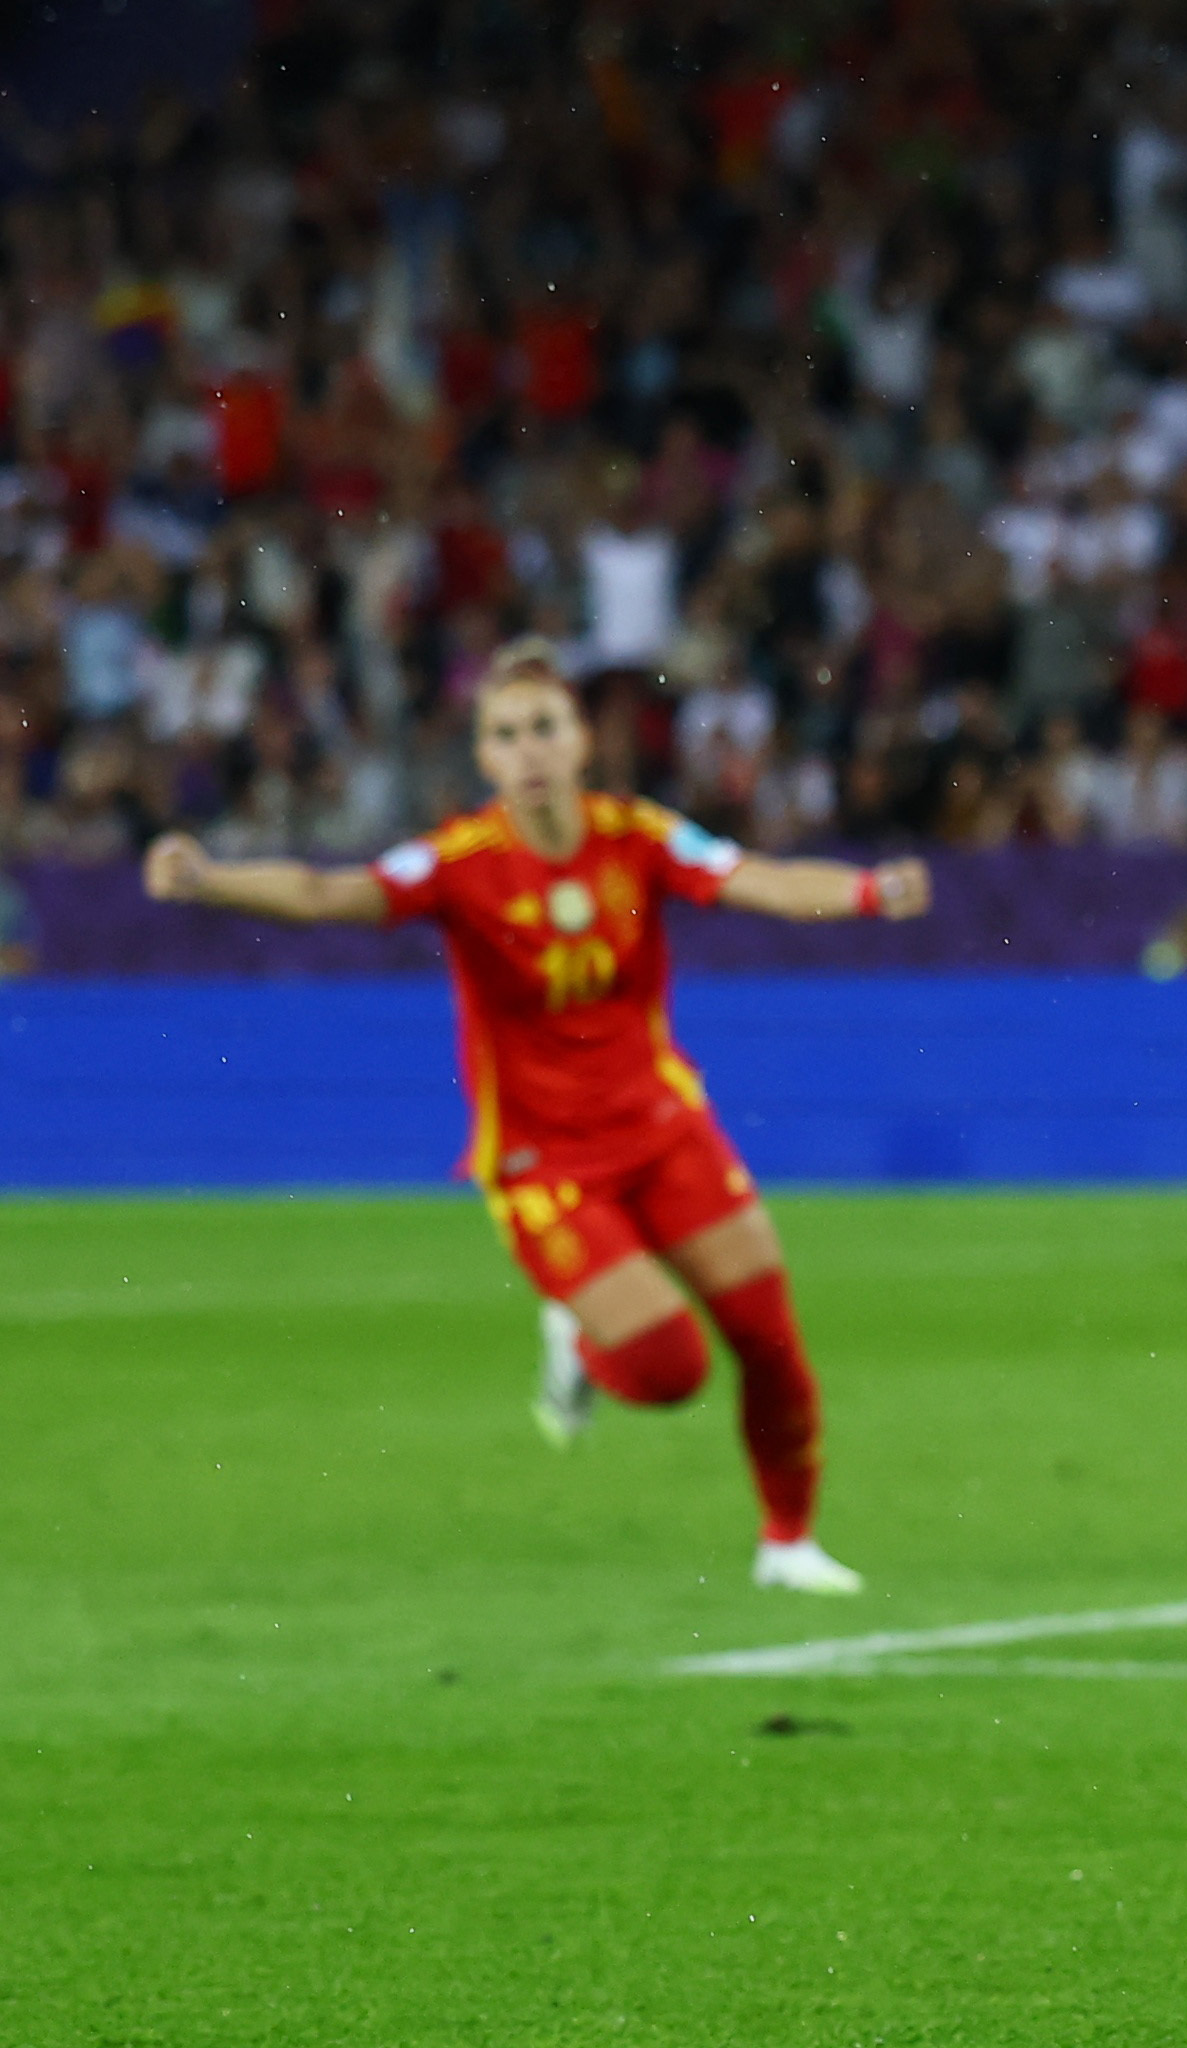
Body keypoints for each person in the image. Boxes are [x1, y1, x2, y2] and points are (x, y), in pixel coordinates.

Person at [141, 638, 931, 1592]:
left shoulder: (637, 836)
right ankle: (582, 1345)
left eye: (545, 728)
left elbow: (757, 877)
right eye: (506, 734)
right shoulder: (459, 862)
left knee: (768, 1334)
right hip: (541, 1161)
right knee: (669, 1367)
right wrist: (206, 876)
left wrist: (864, 892)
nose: (530, 751)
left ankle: (787, 1541)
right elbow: (326, 891)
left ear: (583, 741)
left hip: (662, 1125)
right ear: (484, 758)